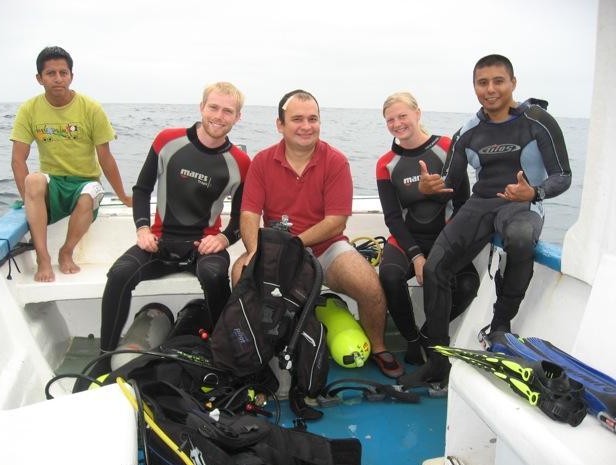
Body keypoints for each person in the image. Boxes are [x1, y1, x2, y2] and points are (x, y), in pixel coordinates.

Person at [398, 54, 571, 386]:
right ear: (475, 87)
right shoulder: (468, 131)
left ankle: (501, 325)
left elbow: (562, 176)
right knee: (435, 269)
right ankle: (437, 361)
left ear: (513, 83)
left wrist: (533, 192)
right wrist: (427, 187)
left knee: (520, 239)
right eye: (482, 82)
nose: (490, 89)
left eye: (498, 81)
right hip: (481, 204)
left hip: (521, 205)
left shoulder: (538, 121)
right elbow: (447, 182)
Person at [232, 89, 403, 379]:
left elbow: (336, 222)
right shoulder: (262, 161)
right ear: (280, 125)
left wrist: (295, 245)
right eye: (297, 119)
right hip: (278, 250)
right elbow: (249, 214)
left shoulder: (335, 161)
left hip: (326, 248)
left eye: (313, 118)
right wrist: (254, 251)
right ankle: (256, 349)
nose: (306, 126)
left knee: (370, 286)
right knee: (240, 273)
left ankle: (378, 346)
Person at [99, 82, 250, 375]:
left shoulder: (241, 162)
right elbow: (141, 190)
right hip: (159, 242)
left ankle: (221, 356)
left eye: (227, 111)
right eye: (214, 107)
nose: (219, 116)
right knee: (119, 274)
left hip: (202, 246)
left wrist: (223, 238)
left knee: (215, 274)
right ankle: (105, 357)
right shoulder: (168, 140)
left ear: (237, 117)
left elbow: (243, 217)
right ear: (202, 107)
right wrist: (142, 229)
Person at [10, 46, 132, 282]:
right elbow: (17, 160)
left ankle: (66, 251)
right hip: (52, 183)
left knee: (90, 193)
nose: (58, 79)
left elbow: (106, 158)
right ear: (39, 79)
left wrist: (123, 196)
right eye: (51, 73)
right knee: (33, 180)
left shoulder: (91, 108)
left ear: (71, 76)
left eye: (63, 73)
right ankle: (43, 257)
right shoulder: (29, 109)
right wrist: (29, 199)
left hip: (84, 182)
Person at [376, 92, 479, 367]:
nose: (397, 123)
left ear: (418, 113)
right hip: (406, 239)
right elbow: (393, 217)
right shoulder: (386, 164)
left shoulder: (447, 148)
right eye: (390, 120)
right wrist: (416, 257)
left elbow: (462, 203)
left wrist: (440, 252)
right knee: (389, 275)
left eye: (402, 116)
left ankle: (426, 335)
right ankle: (410, 340)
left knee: (468, 283)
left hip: (445, 237)